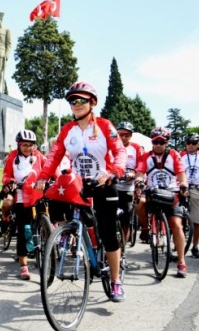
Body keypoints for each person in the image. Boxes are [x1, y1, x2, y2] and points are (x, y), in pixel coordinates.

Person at [36, 81, 127, 302]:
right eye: (72, 101)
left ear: (92, 103)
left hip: (104, 183)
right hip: (78, 184)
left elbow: (120, 151)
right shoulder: (68, 129)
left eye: (81, 100)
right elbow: (54, 156)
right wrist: (42, 176)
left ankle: (115, 281)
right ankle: (75, 240)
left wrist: (114, 172)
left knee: (107, 232)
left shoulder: (105, 126)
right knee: (67, 213)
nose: (76, 104)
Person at [135, 127, 190, 278]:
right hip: (152, 192)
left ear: (166, 143)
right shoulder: (146, 156)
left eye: (161, 142)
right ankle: (145, 228)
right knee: (139, 202)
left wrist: (183, 184)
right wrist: (139, 180)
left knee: (177, 226)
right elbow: (140, 171)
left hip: (171, 193)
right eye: (155, 142)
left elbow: (181, 173)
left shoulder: (174, 155)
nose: (158, 145)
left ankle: (181, 262)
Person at [3, 130, 45, 281]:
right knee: (23, 230)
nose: (28, 148)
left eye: (31, 145)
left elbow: (49, 170)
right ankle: (24, 266)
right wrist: (10, 182)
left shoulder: (39, 156)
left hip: (38, 195)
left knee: (44, 222)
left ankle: (47, 250)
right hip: (21, 197)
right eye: (24, 145)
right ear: (19, 145)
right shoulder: (12, 157)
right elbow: (6, 175)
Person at [115, 121, 144, 244]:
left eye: (127, 135)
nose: (123, 137)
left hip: (128, 188)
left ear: (131, 136)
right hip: (113, 186)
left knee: (124, 221)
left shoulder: (136, 148)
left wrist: (135, 175)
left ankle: (121, 250)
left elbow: (141, 165)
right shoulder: (110, 146)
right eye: (121, 134)